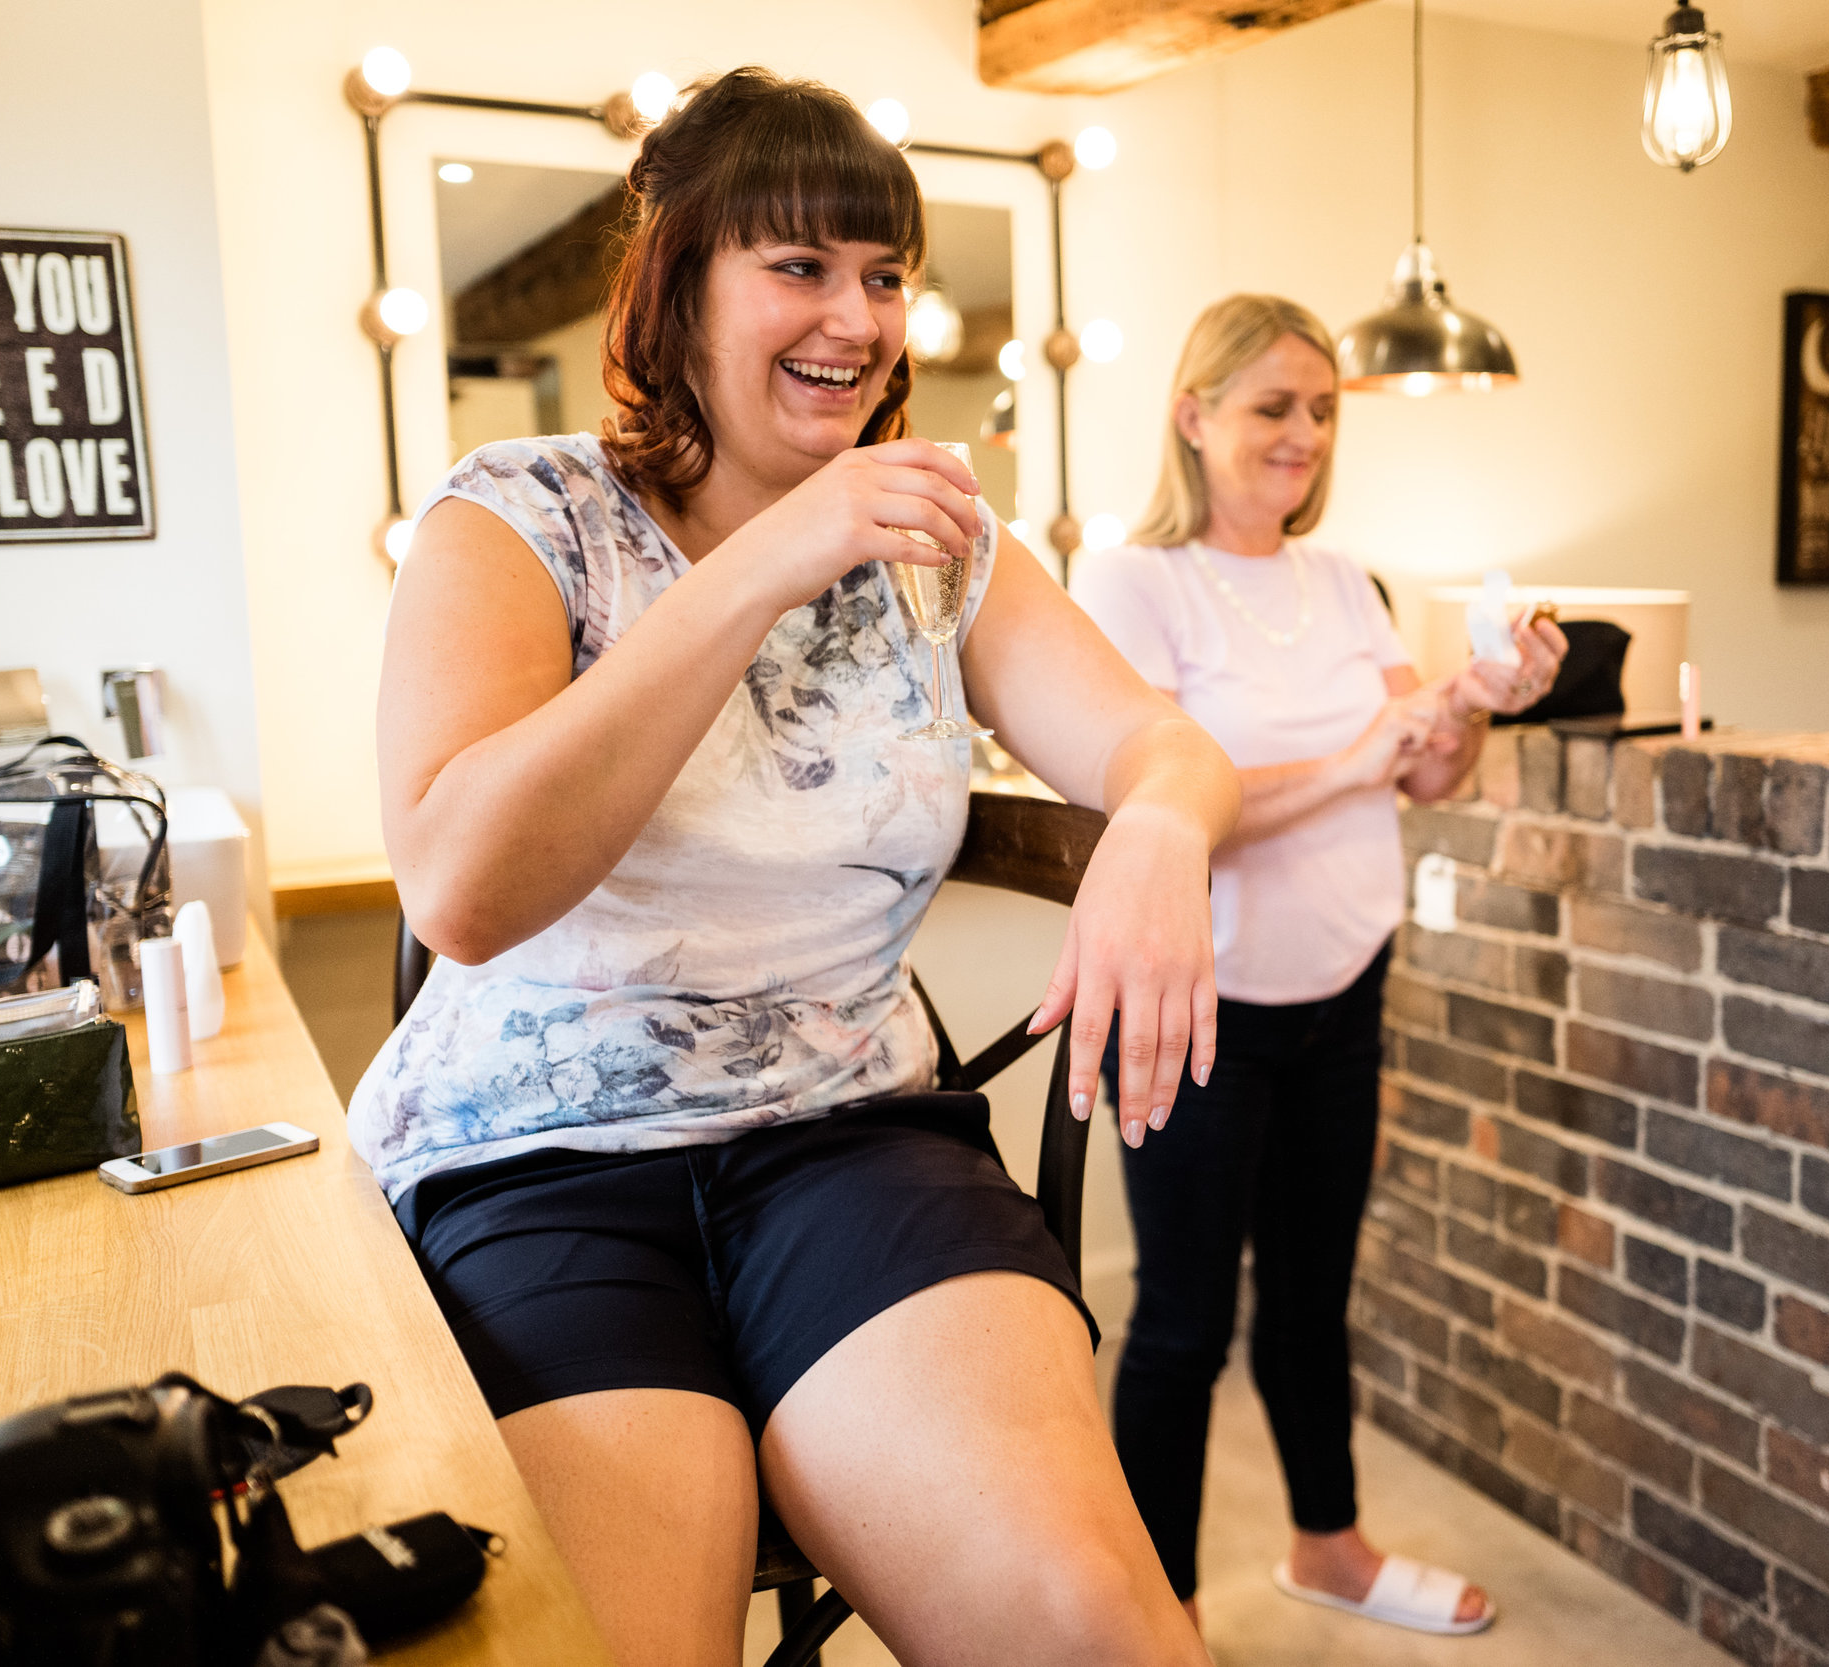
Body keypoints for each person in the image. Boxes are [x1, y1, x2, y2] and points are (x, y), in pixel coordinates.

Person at [350, 69, 1239, 1667]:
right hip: (538, 1164)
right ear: (678, 282)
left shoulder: (944, 542)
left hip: (850, 1143)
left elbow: (1158, 745)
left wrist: (1164, 829)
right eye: (800, 266)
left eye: (886, 273)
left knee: (1104, 1631)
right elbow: (462, 892)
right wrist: (770, 551)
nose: (859, 317)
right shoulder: (518, 520)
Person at [1069, 295, 1565, 1637]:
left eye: (1324, 409)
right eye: (1273, 407)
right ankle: (1156, 1615)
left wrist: (1478, 697)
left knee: (1312, 1297)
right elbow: (1162, 799)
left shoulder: (1348, 583)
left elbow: (1434, 773)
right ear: (1193, 415)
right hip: (1198, 1006)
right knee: (1180, 1323)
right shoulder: (1134, 583)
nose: (1304, 435)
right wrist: (1358, 760)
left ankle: (1328, 1547)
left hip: (1344, 987)